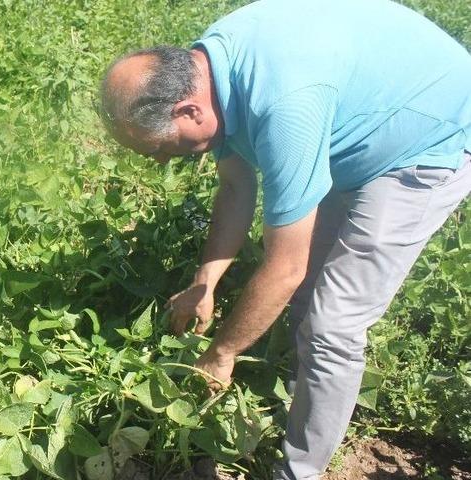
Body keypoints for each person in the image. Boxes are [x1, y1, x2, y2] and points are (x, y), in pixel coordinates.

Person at [98, 0, 471, 478]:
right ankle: (306, 401)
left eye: (157, 148)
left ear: (189, 110)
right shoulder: (208, 69)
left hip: (430, 134)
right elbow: (236, 187)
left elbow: (284, 269)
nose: (160, 162)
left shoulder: (283, 108)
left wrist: (221, 354)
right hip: (357, 104)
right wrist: (204, 283)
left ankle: (299, 471)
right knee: (309, 290)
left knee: (333, 323)